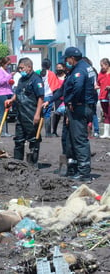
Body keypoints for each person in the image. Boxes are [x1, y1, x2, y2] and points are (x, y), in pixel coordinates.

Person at [62, 47, 96, 181]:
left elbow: (78, 86)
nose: (66, 62)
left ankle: (84, 173)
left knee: (80, 140)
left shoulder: (79, 70)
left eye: (67, 59)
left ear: (72, 58)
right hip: (86, 106)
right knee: (74, 139)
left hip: (80, 107)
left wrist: (71, 101)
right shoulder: (88, 67)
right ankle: (77, 169)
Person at [5, 57, 44, 166]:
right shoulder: (21, 80)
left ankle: (33, 164)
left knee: (33, 140)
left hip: (31, 114)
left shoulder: (36, 79)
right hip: (20, 114)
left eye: (22, 68)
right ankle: (18, 163)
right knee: (18, 140)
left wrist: (37, 114)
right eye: (19, 68)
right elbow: (17, 93)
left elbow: (41, 97)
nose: (20, 70)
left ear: (29, 67)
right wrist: (12, 99)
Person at [37, 58, 61, 137]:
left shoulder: (37, 73)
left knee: (39, 114)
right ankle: (48, 133)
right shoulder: (51, 74)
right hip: (48, 96)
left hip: (39, 97)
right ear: (49, 66)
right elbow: (56, 86)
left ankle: (37, 132)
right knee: (47, 115)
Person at [0, 56, 15, 137]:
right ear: (3, 64)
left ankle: (5, 131)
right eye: (7, 64)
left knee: (7, 113)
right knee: (3, 112)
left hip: (9, 92)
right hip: (2, 94)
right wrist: (9, 76)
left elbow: (7, 81)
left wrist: (11, 80)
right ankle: (3, 131)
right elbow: (1, 82)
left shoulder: (7, 70)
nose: (8, 66)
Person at [51, 63, 67, 137]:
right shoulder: (55, 77)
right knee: (56, 115)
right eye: (57, 67)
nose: (58, 69)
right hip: (57, 98)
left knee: (66, 115)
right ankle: (54, 130)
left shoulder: (67, 77)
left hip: (66, 98)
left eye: (60, 67)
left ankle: (66, 131)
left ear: (63, 68)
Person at [96, 58, 110, 138]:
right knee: (106, 114)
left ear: (107, 65)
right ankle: (106, 133)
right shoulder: (101, 73)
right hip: (103, 96)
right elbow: (98, 84)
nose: (101, 67)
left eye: (102, 65)